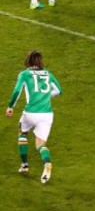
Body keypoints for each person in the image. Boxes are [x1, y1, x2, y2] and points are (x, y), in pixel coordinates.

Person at [6, 50, 63, 184]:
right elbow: (59, 90)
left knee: (22, 132)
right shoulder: (48, 74)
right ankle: (47, 164)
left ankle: (25, 166)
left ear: (28, 61)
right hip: (47, 114)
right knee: (40, 145)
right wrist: (46, 96)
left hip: (31, 113)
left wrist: (10, 107)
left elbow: (16, 91)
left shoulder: (24, 74)